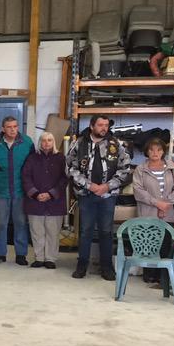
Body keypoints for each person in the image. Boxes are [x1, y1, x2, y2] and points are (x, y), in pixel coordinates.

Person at [66, 114, 132, 280]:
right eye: (100, 125)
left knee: (106, 232)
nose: (104, 128)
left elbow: (125, 169)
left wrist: (107, 186)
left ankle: (107, 267)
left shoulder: (116, 144)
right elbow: (69, 168)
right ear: (92, 126)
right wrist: (90, 185)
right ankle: (82, 265)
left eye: (106, 125)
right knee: (85, 231)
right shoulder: (79, 143)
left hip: (108, 195)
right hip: (86, 194)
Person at [132, 137, 174, 283]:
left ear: (163, 151)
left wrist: (165, 204)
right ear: (147, 152)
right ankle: (149, 273)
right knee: (148, 242)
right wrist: (157, 203)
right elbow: (138, 191)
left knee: (165, 243)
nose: (155, 152)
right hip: (148, 212)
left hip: (168, 212)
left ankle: (163, 275)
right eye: (151, 149)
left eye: (158, 149)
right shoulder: (140, 169)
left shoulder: (172, 168)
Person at [0, 115, 34, 265]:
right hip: (1, 190)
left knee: (20, 222)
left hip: (20, 190)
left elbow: (32, 165)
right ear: (3, 128)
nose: (13, 130)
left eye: (15, 126)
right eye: (9, 127)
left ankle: (21, 255)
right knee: (0, 223)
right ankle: (0, 254)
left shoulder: (26, 142)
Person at [21, 131, 67, 269]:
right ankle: (39, 258)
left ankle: (50, 259)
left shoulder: (61, 158)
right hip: (35, 201)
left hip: (55, 202)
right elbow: (25, 177)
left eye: (49, 140)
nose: (46, 143)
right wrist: (35, 194)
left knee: (53, 232)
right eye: (43, 140)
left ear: (53, 142)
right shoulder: (31, 158)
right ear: (39, 143)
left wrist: (51, 194)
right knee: (37, 232)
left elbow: (64, 179)